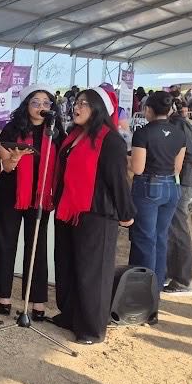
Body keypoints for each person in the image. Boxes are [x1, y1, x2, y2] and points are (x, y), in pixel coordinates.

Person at [51, 87, 134, 344]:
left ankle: (91, 327)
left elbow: (117, 180)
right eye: (76, 103)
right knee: (67, 265)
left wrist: (126, 212)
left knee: (92, 272)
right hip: (69, 210)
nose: (77, 107)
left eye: (84, 104)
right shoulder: (73, 135)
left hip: (96, 213)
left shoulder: (110, 140)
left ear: (98, 109)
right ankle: (70, 314)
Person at [0, 85, 64, 319]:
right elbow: (6, 167)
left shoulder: (56, 131)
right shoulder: (11, 129)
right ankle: (4, 296)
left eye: (46, 103)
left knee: (37, 246)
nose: (41, 106)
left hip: (41, 196)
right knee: (6, 242)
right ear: (26, 105)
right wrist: (15, 158)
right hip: (12, 193)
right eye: (35, 102)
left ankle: (37, 299)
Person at [128, 91, 184, 295]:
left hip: (148, 187)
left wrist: (125, 159)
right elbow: (177, 168)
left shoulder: (143, 133)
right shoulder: (179, 133)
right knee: (160, 237)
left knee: (144, 239)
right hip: (171, 186)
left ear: (148, 110)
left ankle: (141, 291)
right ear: (169, 110)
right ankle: (156, 287)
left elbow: (138, 168)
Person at [164, 99, 192, 295]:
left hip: (180, 182)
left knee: (178, 230)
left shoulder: (177, 124)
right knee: (171, 228)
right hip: (179, 181)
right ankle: (172, 273)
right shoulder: (178, 123)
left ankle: (184, 280)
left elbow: (184, 155)